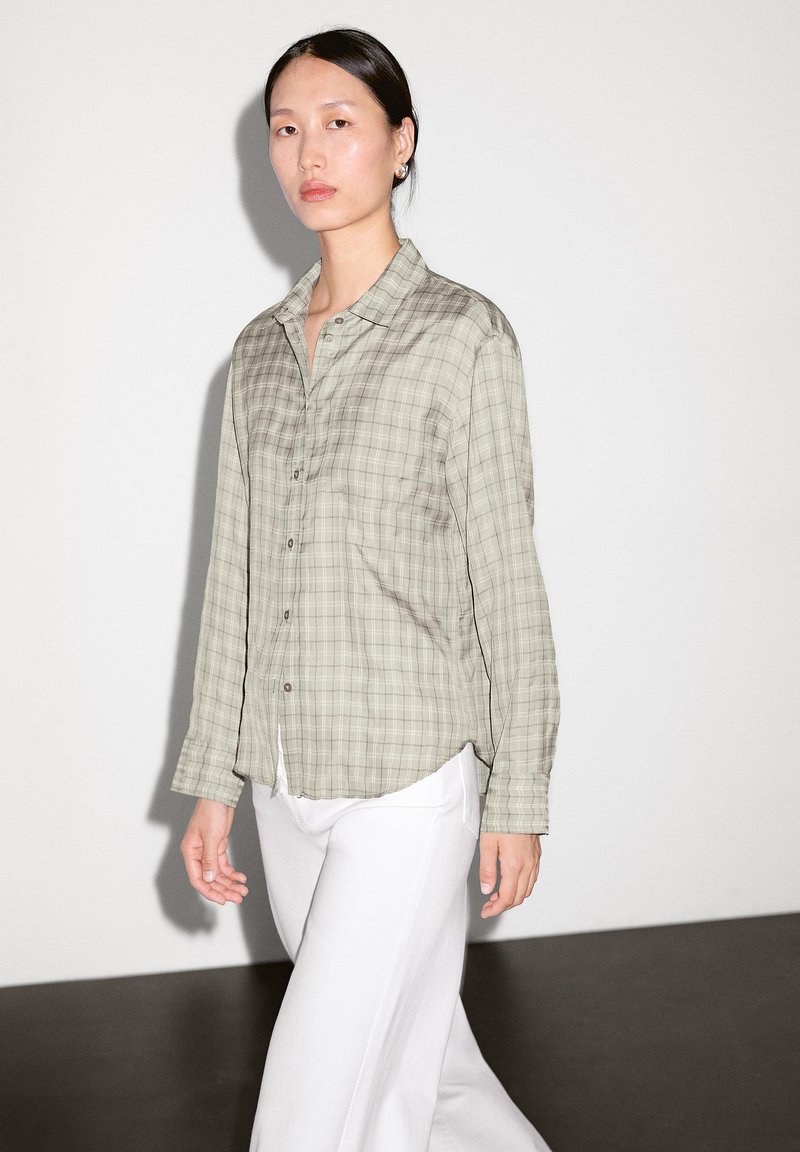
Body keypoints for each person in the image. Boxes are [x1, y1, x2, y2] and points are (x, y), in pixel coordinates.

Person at [171, 25, 560, 1152]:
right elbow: (234, 583)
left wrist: (520, 794)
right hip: (285, 782)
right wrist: (213, 781)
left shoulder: (463, 337)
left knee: (320, 1098)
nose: (309, 151)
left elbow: (507, 582)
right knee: (423, 1062)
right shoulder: (255, 354)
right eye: (286, 128)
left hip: (409, 782)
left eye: (339, 123)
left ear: (401, 142)